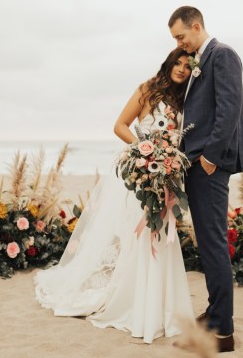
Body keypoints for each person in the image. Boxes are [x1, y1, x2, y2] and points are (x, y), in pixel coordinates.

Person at [34, 48, 194, 344]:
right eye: (178, 63)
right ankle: (132, 300)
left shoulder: (186, 99)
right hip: (140, 174)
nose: (182, 69)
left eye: (187, 65)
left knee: (159, 238)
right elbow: (119, 125)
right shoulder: (147, 90)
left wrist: (166, 160)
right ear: (169, 63)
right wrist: (145, 153)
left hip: (165, 177)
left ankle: (157, 305)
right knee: (135, 237)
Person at [169, 6, 243, 354]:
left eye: (181, 36)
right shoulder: (199, 62)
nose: (180, 44)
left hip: (210, 164)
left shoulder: (223, 55)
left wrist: (209, 159)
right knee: (207, 241)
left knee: (214, 243)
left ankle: (222, 332)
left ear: (196, 25)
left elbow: (229, 109)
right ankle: (216, 311)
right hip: (197, 162)